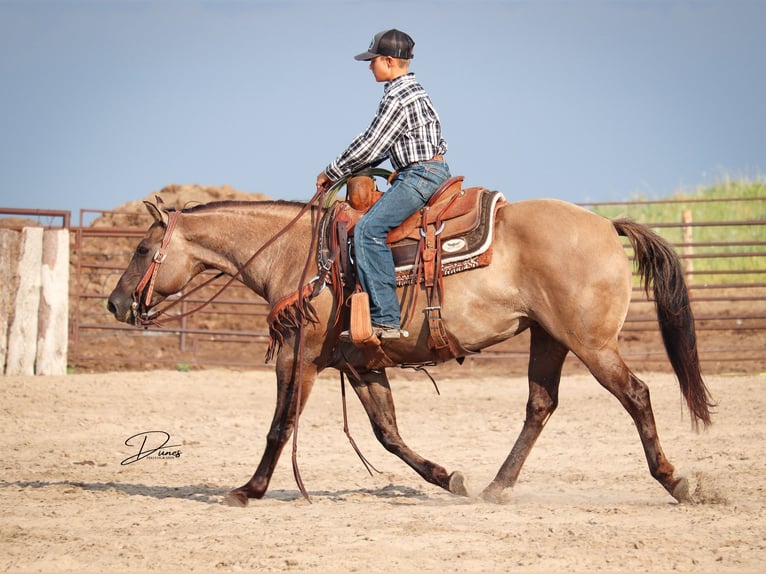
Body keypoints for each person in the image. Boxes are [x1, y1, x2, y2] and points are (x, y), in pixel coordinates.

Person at [316, 29, 451, 339]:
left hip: (418, 175)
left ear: (389, 61)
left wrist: (332, 171)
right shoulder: (415, 91)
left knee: (367, 231)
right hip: (427, 171)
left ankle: (386, 319)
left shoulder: (398, 97)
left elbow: (371, 144)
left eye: (372, 60)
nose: (369, 66)